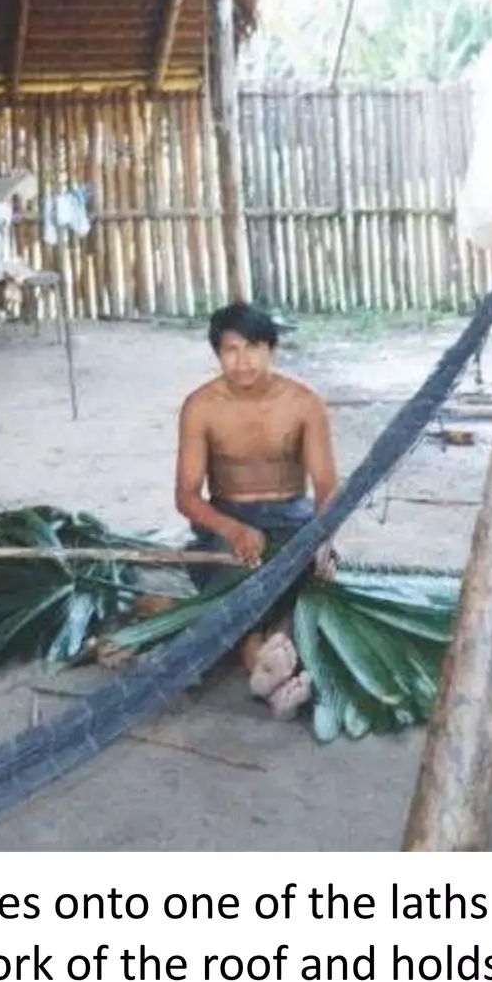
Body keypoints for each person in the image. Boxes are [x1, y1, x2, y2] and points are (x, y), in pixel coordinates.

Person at [173, 301, 339, 719]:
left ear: (271, 349)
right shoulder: (201, 407)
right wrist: (232, 530)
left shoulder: (304, 403)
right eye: (231, 350)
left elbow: (325, 487)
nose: (242, 361)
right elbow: (187, 496)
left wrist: (324, 537)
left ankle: (271, 663)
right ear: (217, 354)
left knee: (312, 577)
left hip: (293, 518)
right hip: (229, 519)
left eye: (253, 348)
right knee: (238, 581)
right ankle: (273, 672)